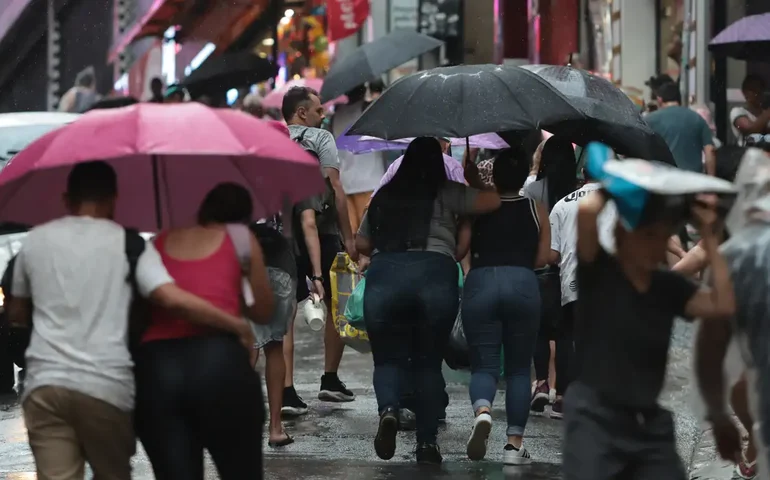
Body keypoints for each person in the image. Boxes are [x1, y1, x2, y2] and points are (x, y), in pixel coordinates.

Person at [6, 161, 255, 480]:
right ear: (114, 198)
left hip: (45, 385)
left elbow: (17, 313)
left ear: (67, 199)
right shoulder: (129, 244)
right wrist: (234, 324)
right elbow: (170, 298)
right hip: (105, 386)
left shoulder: (34, 242)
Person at [563, 187, 735, 480]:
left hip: (649, 423)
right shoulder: (600, 273)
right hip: (594, 420)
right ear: (622, 234)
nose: (656, 245)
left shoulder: (667, 286)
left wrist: (709, 233)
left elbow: (722, 304)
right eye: (648, 235)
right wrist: (617, 183)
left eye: (662, 235)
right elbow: (588, 212)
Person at [356, 137, 501, 464]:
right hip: (435, 276)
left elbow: (361, 243)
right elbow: (492, 202)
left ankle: (389, 409)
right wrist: (472, 185)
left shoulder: (385, 195)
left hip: (385, 276)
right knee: (428, 362)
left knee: (387, 360)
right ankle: (426, 444)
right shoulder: (449, 192)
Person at [134, 183, 274, 479]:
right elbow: (263, 311)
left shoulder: (157, 243)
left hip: (157, 371)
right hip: (220, 362)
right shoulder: (240, 238)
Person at [462, 147, 550, 465]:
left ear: (494, 176)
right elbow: (542, 258)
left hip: (481, 283)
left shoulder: (478, 207)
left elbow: (462, 249)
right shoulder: (536, 208)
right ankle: (514, 446)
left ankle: (483, 411)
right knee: (518, 369)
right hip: (523, 284)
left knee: (483, 366)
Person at [281, 86, 357, 405]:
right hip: (322, 231)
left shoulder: (275, 139)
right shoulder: (321, 138)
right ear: (301, 113)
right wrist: (349, 237)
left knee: (286, 312)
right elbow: (335, 188)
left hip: (285, 234)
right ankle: (329, 378)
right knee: (337, 302)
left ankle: (286, 389)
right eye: (318, 110)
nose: (324, 115)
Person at [545, 168, 617, 419]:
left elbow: (552, 255)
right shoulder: (617, 202)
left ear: (584, 175)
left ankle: (563, 398)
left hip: (572, 281)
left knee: (567, 337)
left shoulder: (561, 204)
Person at [331, 85, 387, 233]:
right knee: (371, 232)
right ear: (363, 91)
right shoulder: (369, 109)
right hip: (370, 181)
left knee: (353, 234)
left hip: (346, 182)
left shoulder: (336, 115)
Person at [645, 82, 716, 175]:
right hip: (692, 179)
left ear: (659, 100)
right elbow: (709, 150)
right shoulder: (697, 118)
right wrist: (711, 178)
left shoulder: (650, 120)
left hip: (662, 178)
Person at [731, 74, 770, 147]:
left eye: (759, 90)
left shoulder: (766, 114)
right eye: (753, 90)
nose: (757, 94)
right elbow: (750, 130)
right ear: (744, 92)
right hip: (747, 152)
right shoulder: (738, 111)